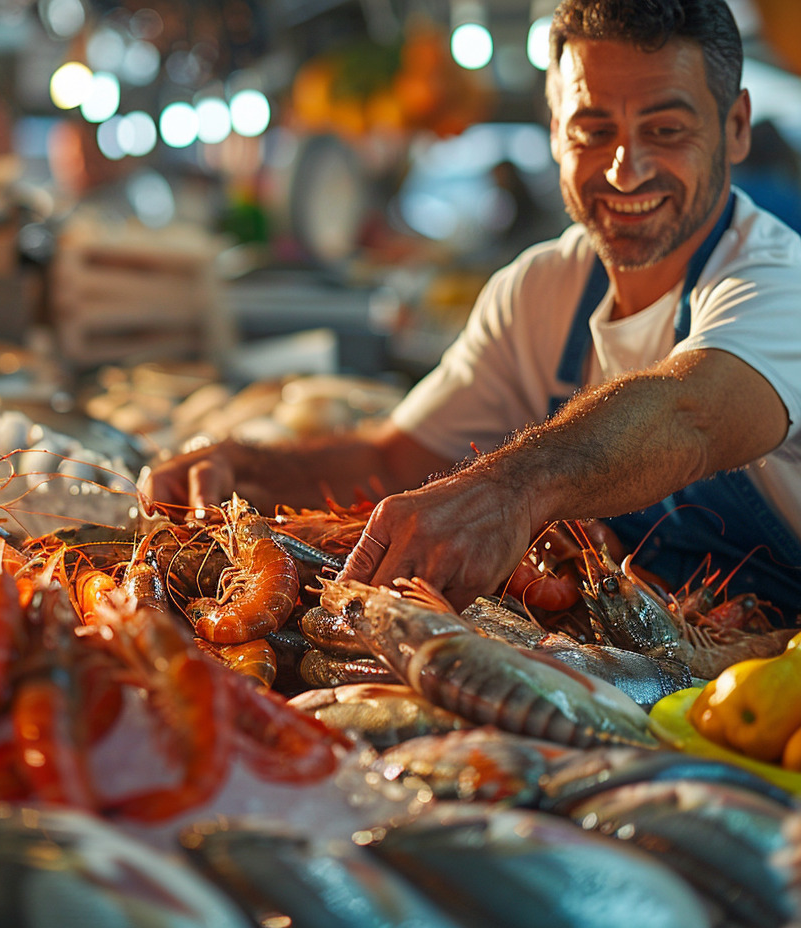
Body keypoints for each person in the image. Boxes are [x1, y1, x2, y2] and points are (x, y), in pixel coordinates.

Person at [145, 0, 801, 617]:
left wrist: (513, 488)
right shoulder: (542, 290)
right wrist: (248, 468)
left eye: (665, 130)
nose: (625, 170)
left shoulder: (778, 282)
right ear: (554, 133)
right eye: (592, 131)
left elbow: (690, 412)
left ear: (735, 126)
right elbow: (400, 459)